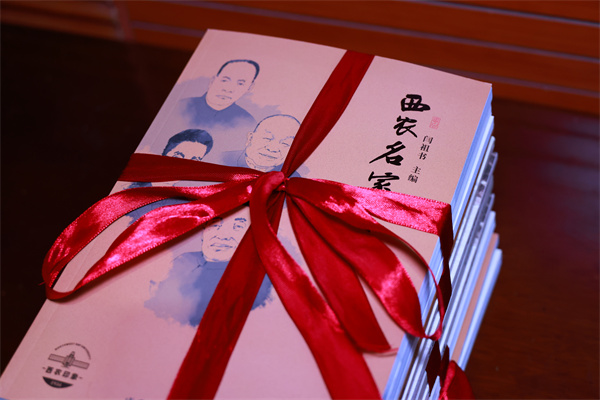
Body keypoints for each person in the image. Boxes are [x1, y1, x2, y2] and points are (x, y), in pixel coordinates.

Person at [144, 208, 272, 327]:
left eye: (238, 226)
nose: (222, 235)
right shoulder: (182, 263)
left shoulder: (259, 276)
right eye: (215, 225)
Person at [179, 59, 259, 130]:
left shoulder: (247, 122)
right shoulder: (182, 105)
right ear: (213, 80)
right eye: (225, 80)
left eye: (240, 84)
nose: (228, 89)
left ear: (249, 88)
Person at [220, 114, 301, 173]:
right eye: (267, 138)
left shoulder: (292, 181)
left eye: (285, 143)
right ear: (250, 138)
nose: (272, 148)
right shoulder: (222, 160)